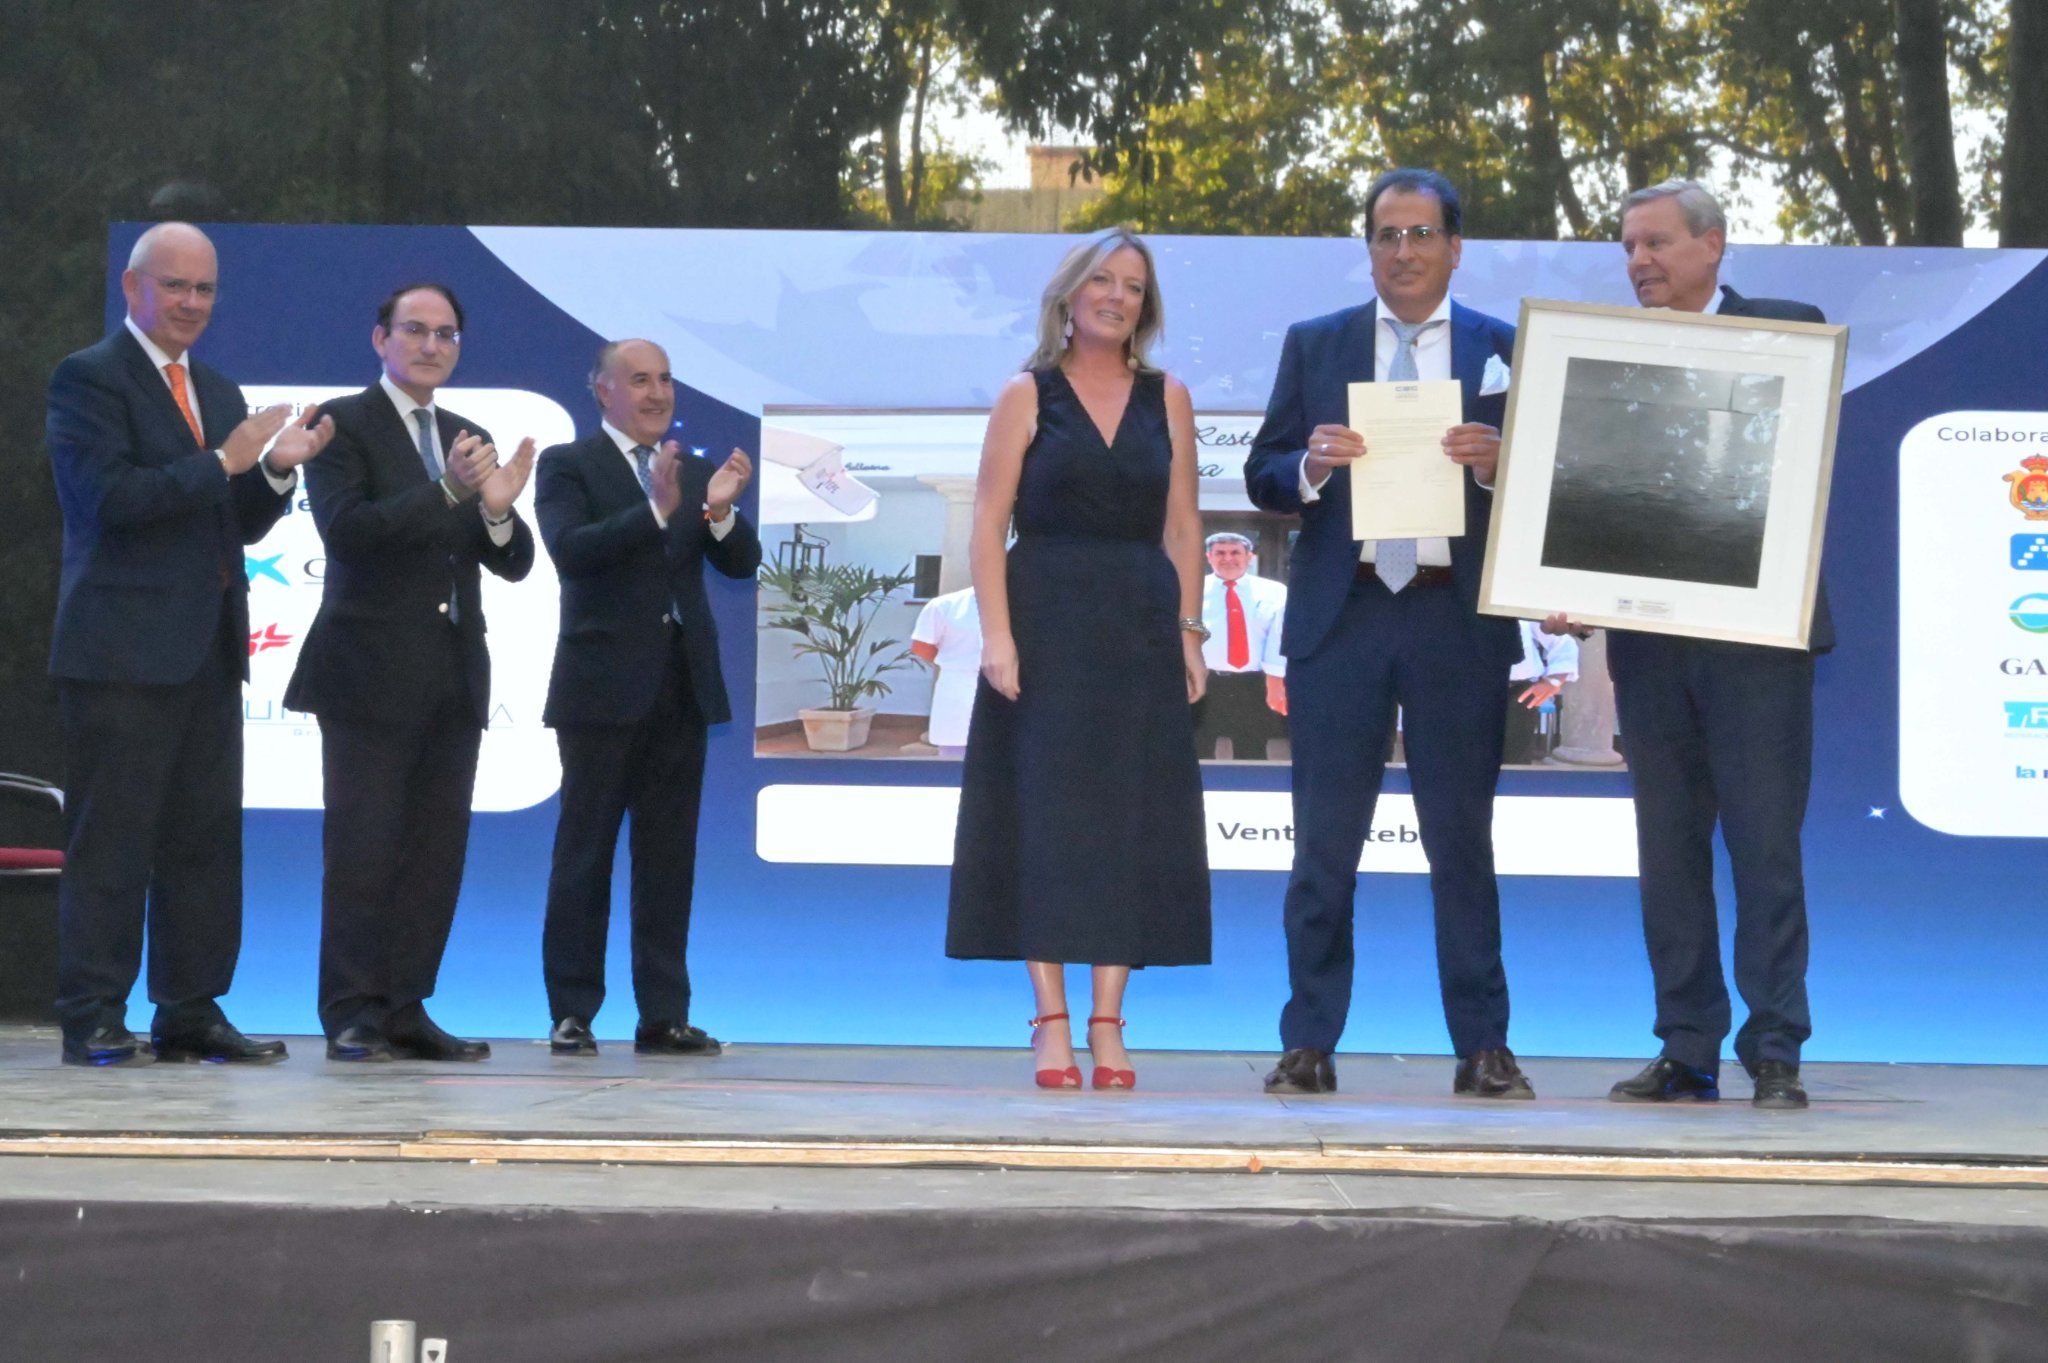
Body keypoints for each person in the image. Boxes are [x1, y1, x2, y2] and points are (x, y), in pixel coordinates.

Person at [1245, 169, 1531, 1100]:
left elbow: (1557, 489)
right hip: (1344, 618)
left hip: (1457, 619)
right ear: (1368, 248)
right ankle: (1308, 1042)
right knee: (1324, 848)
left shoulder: (1508, 349)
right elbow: (1262, 473)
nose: (1402, 251)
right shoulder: (1315, 343)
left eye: (1419, 233)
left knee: (1464, 845)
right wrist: (1311, 468)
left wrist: (1502, 467)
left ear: (1456, 245)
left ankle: (1484, 1047)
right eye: (1385, 234)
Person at [46, 222, 333, 1067]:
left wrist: (277, 471)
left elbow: (232, 520)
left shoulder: (214, 383)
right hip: (119, 655)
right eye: (175, 286)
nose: (192, 303)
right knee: (113, 840)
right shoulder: (87, 378)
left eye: (205, 289)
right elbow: (109, 501)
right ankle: (92, 1012)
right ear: (133, 287)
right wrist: (224, 459)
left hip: (207, 651)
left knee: (204, 841)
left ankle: (190, 1009)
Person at [1586, 179, 1834, 1111]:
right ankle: (1686, 1047)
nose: (1640, 262)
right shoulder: (1603, 363)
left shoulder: (1785, 327)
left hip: (1758, 641)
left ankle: (1776, 1050)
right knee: (1670, 853)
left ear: (1713, 245)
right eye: (1628, 248)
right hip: (1652, 644)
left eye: (1655, 243)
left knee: (1766, 848)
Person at [946, 227, 1211, 1091]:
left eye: (1133, 286)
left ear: (1147, 305)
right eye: (1102, 279)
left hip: (1139, 625)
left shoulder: (1169, 396)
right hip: (1045, 621)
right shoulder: (1027, 394)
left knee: (1127, 821)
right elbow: (988, 521)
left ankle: (1109, 1022)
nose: (1117, 296)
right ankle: (1050, 1019)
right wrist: (997, 634)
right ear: (1069, 294)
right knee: (1049, 821)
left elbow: (1182, 525)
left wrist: (1189, 629)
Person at [284, 282, 536, 1062]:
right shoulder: (344, 423)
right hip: (366, 672)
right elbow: (351, 533)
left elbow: (516, 562)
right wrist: (449, 490)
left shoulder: (468, 431)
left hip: (454, 673)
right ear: (380, 338)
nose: (433, 345)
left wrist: (495, 508)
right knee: (363, 847)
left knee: (434, 852)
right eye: (416, 330)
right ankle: (352, 1010)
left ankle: (406, 1004)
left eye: (448, 334)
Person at [534, 339, 759, 1058]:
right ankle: (572, 1009)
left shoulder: (695, 472)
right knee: (585, 855)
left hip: (680, 690)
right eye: (640, 379)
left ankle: (664, 1013)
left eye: (665, 379)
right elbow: (573, 550)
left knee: (669, 861)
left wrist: (718, 512)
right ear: (602, 390)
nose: (658, 392)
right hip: (599, 692)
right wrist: (658, 513)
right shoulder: (567, 465)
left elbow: (741, 561)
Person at [1192, 532, 1289, 760]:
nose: (1228, 558)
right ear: (1209, 557)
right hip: (1205, 680)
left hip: (1253, 683)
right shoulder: (1192, 591)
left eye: (1235, 552)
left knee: (1252, 748)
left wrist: (1276, 682)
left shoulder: (1274, 592)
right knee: (1197, 747)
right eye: (1220, 553)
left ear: (1249, 557)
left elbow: (1279, 638)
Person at [910, 586, 983, 758]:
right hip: (959, 686)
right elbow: (921, 645)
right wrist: (954, 663)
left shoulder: (1030, 603)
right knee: (955, 759)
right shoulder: (945, 605)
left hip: (1014, 687)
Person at [1504, 622, 1579, 765]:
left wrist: (1553, 681)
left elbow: (1562, 642)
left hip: (1519, 691)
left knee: (1514, 760)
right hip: (1466, 688)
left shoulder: (1518, 604)